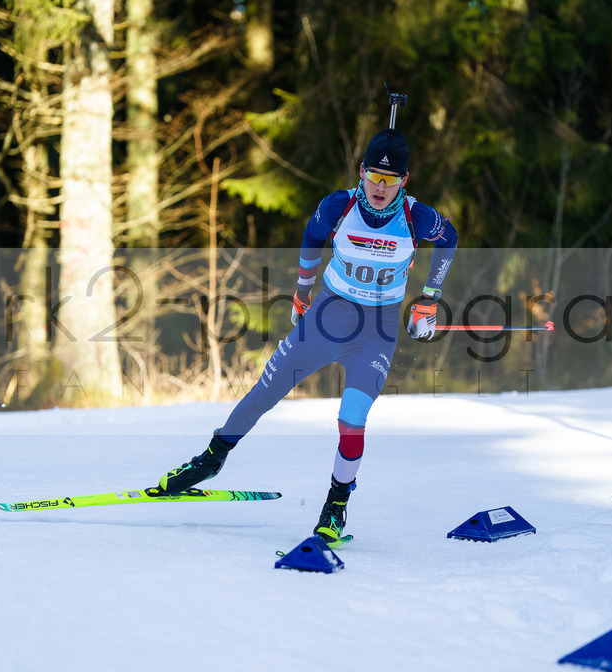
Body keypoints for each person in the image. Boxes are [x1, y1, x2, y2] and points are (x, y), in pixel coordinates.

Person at [154, 127, 458, 545]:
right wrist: (301, 291)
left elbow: (450, 240)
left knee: (352, 420)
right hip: (327, 318)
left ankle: (336, 504)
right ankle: (212, 458)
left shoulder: (416, 217)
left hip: (377, 332)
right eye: (374, 176)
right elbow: (313, 238)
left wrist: (428, 299)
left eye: (391, 180)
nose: (380, 187)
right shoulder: (339, 205)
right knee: (266, 390)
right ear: (362, 172)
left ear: (404, 181)